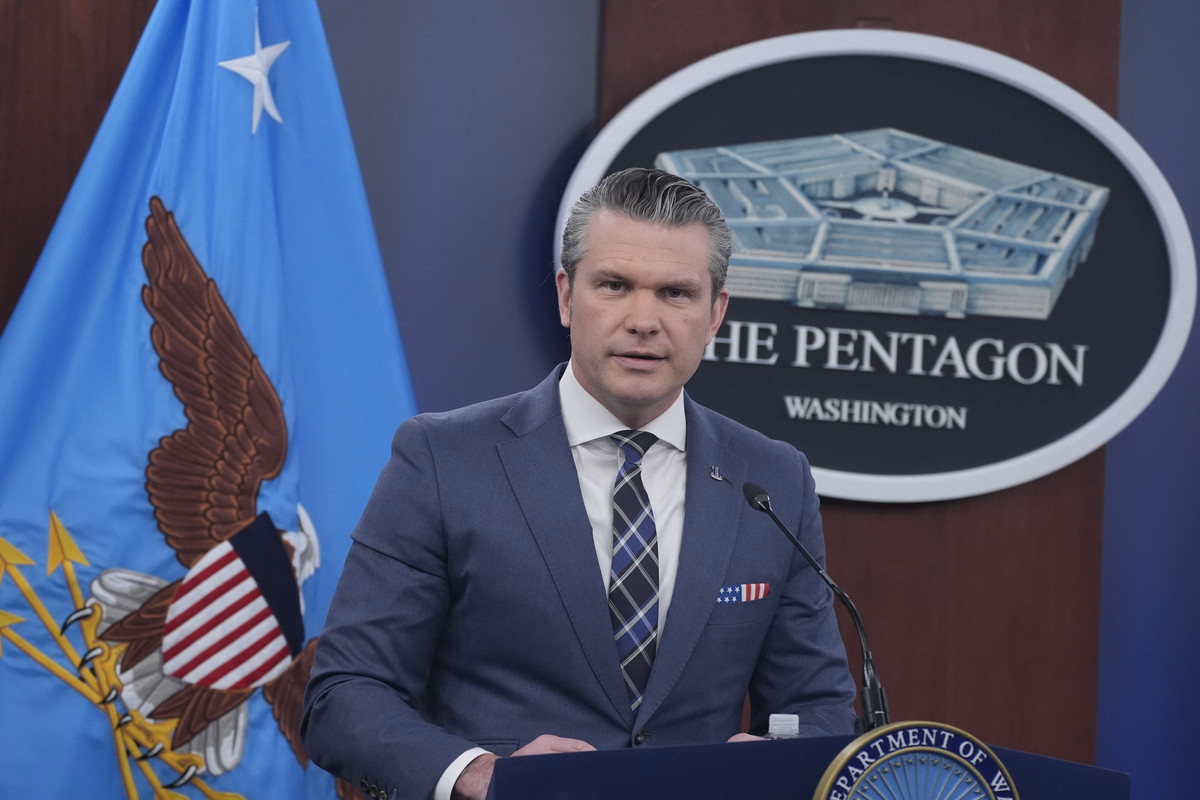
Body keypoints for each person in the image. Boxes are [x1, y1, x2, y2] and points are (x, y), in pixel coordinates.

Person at [301, 167, 855, 800]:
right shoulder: (443, 460)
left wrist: (779, 764)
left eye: (676, 293)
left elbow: (815, 704)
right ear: (566, 297)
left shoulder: (773, 478)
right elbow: (344, 695)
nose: (644, 320)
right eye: (615, 285)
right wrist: (486, 774)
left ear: (715, 314)